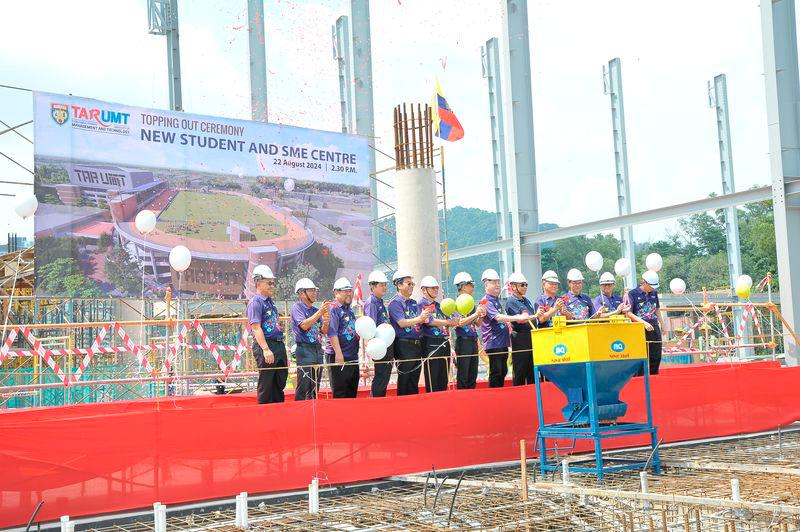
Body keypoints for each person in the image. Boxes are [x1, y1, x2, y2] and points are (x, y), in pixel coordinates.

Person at [480, 269, 532, 388]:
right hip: (494, 343)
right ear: (486, 284)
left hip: (502, 343)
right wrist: (517, 317)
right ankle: (494, 398)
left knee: (502, 371)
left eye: (498, 282)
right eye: (494, 282)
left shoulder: (496, 300)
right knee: (496, 372)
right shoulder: (486, 301)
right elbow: (498, 317)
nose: (497, 285)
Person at [246, 264, 288, 404]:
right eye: (269, 283)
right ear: (258, 282)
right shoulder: (255, 303)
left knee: (280, 381)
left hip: (277, 345)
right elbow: (256, 327)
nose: (272, 286)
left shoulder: (271, 303)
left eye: (273, 283)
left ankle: (278, 413)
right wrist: (265, 349)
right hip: (266, 346)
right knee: (267, 383)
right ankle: (264, 416)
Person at [387, 270, 432, 395]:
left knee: (414, 378)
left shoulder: (413, 303)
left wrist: (426, 316)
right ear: (399, 285)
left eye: (412, 283)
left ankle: (413, 407)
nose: (412, 286)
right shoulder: (395, 303)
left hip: (417, 344)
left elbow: (423, 320)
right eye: (409, 283)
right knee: (405, 378)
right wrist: (420, 318)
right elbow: (401, 323)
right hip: (404, 345)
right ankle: (403, 407)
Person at [290, 278, 330, 401]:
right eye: (311, 290)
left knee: (315, 385)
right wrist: (320, 313)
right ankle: (300, 411)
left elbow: (323, 331)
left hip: (317, 349)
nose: (314, 293)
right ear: (302, 293)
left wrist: (326, 321)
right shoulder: (297, 308)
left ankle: (314, 410)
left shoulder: (314, 310)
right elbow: (304, 325)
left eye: (315, 290)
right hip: (304, 349)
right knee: (304, 384)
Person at [418, 276, 459, 392]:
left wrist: (454, 320)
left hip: (444, 342)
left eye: (436, 288)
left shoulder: (439, 306)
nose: (435, 290)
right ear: (424, 290)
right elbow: (429, 321)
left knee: (443, 378)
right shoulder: (421, 304)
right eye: (432, 288)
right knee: (433, 378)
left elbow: (449, 318)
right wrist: (448, 322)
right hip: (431, 343)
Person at [325, 277, 361, 398]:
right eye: (345, 290)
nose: (349, 293)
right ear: (336, 292)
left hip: (352, 356)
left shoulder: (349, 310)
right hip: (339, 356)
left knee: (352, 391)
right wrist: (338, 353)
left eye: (350, 290)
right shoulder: (334, 308)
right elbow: (332, 332)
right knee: (340, 392)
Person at [505, 272, 542, 386]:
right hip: (520, 338)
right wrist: (535, 315)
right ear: (513, 286)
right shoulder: (511, 302)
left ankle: (534, 394)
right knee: (520, 369)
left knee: (532, 370)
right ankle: (518, 395)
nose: (525, 287)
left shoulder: (526, 301)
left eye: (526, 285)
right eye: (522, 285)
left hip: (531, 337)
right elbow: (520, 319)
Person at [452, 272, 485, 389]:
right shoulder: (455, 303)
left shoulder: (471, 303)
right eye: (471, 284)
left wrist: (481, 314)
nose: (473, 287)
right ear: (463, 286)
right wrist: (476, 313)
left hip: (472, 340)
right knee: (463, 374)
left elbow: (478, 323)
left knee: (472, 373)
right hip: (463, 341)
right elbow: (460, 322)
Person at [364, 270, 394, 397]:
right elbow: (371, 326)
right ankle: (375, 401)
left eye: (385, 285)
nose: (384, 288)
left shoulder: (379, 301)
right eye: (381, 285)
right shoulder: (372, 302)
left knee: (385, 376)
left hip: (386, 344)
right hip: (380, 346)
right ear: (373, 286)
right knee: (381, 376)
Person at [628, 270, 664, 375]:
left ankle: (654, 378)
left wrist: (662, 324)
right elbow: (629, 313)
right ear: (644, 283)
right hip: (639, 328)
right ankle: (640, 380)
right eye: (651, 286)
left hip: (654, 326)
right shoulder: (632, 294)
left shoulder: (654, 293)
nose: (653, 288)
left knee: (656, 355)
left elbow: (656, 309)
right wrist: (644, 323)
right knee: (641, 356)